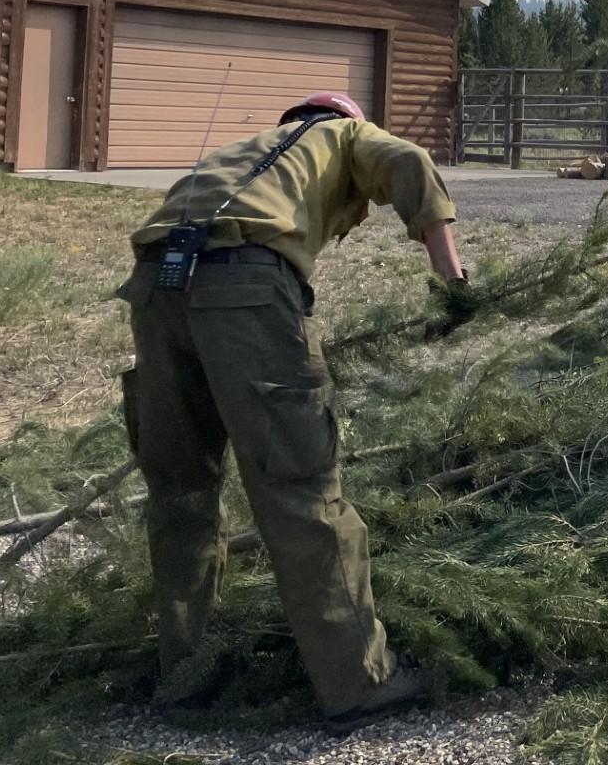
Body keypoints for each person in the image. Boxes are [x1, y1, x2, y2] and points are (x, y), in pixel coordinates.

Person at [120, 91, 464, 733]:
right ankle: (358, 683)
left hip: (156, 283)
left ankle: (185, 673)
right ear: (349, 120)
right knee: (302, 488)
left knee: (182, 493)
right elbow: (411, 162)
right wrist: (453, 284)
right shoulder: (344, 137)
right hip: (245, 284)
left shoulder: (244, 149)